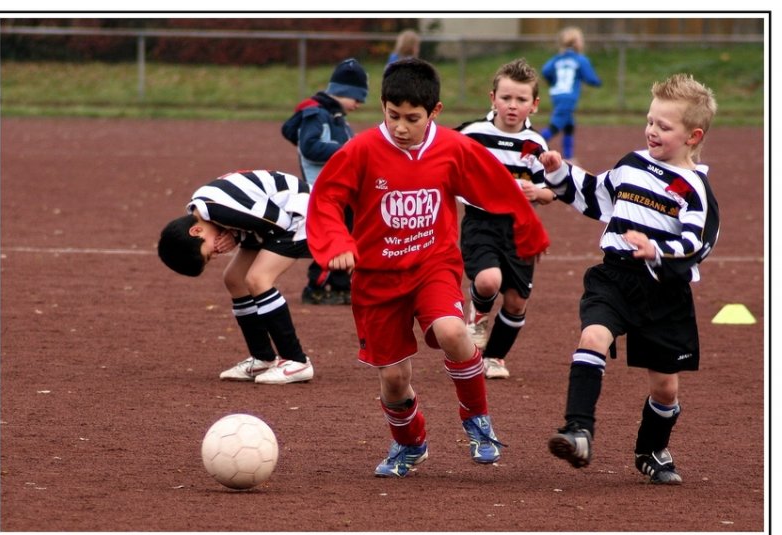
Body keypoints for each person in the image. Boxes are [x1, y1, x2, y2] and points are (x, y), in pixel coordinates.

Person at [305, 58, 550, 477]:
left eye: (412, 118)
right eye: (393, 115)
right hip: (377, 279)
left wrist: (529, 232)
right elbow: (325, 199)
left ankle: (477, 421)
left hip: (432, 264)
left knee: (454, 331)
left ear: (434, 112)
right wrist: (337, 243)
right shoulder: (360, 151)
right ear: (382, 106)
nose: (401, 127)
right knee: (395, 379)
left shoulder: (453, 148)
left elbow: (496, 186)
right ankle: (410, 443)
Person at [539, 74, 719, 484]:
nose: (652, 130)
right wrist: (559, 172)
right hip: (614, 277)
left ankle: (651, 449)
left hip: (663, 290)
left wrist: (657, 250)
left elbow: (698, 243)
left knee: (666, 390)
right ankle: (578, 430)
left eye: (664, 126)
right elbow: (594, 194)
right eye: (650, 121)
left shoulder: (694, 189)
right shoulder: (631, 164)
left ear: (693, 136)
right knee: (592, 338)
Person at [157, 169, 315, 385]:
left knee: (258, 278)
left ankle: (296, 361)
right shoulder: (202, 209)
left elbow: (278, 222)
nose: (216, 254)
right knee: (234, 279)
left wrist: (236, 235)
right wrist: (236, 234)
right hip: (271, 222)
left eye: (209, 253)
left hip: (301, 214)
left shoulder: (222, 211)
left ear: (196, 232)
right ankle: (263, 358)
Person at [455, 58, 556, 380]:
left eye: (521, 100)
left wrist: (536, 193)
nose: (512, 106)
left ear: (534, 105)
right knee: (488, 281)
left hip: (520, 228)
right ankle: (479, 314)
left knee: (516, 301)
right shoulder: (472, 134)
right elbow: (442, 158)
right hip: (481, 222)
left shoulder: (536, 145)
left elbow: (552, 190)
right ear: (493, 98)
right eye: (506, 98)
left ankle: (494, 357)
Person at [281, 58, 369, 306]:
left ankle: (341, 284)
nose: (359, 105)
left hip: (344, 191)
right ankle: (316, 285)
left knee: (348, 236)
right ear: (343, 92)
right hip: (325, 192)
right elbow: (310, 147)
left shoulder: (336, 116)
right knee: (332, 238)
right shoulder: (317, 114)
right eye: (357, 98)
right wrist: (347, 148)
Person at [540, 26, 602, 162]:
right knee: (556, 125)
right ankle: (534, 143)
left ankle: (568, 156)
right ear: (576, 43)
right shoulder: (580, 59)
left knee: (569, 125)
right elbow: (591, 78)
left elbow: (545, 70)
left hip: (556, 94)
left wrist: (553, 81)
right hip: (568, 97)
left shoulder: (557, 59)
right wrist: (597, 82)